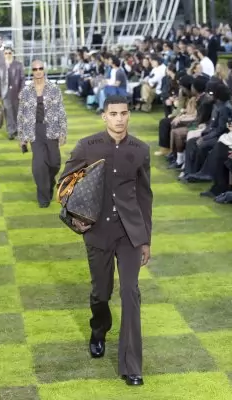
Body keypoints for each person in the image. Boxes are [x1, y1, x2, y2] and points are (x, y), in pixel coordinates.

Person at [59, 95, 153, 386]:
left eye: (124, 113)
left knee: (130, 293)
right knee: (101, 294)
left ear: (129, 115)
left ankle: (132, 367)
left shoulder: (141, 150)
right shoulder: (86, 146)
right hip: (98, 231)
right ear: (104, 116)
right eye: (113, 114)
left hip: (129, 234)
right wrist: (76, 215)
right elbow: (64, 183)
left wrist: (146, 239)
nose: (119, 119)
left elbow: (145, 197)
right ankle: (99, 329)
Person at [18, 60, 67, 208]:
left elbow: (61, 111)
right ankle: (43, 198)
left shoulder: (54, 89)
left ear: (44, 70)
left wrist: (63, 132)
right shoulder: (26, 91)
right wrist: (22, 137)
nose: (38, 71)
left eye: (40, 68)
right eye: (35, 69)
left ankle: (49, 181)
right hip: (34, 131)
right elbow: (21, 114)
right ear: (31, 71)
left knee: (54, 163)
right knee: (39, 165)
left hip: (52, 129)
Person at [0, 47, 24, 140]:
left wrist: (21, 91)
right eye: (6, 53)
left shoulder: (18, 65)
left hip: (16, 92)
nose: (8, 55)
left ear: (13, 54)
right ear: (3, 55)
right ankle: (11, 131)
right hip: (5, 93)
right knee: (8, 113)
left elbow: (22, 79)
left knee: (17, 112)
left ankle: (17, 130)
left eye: (9, 53)